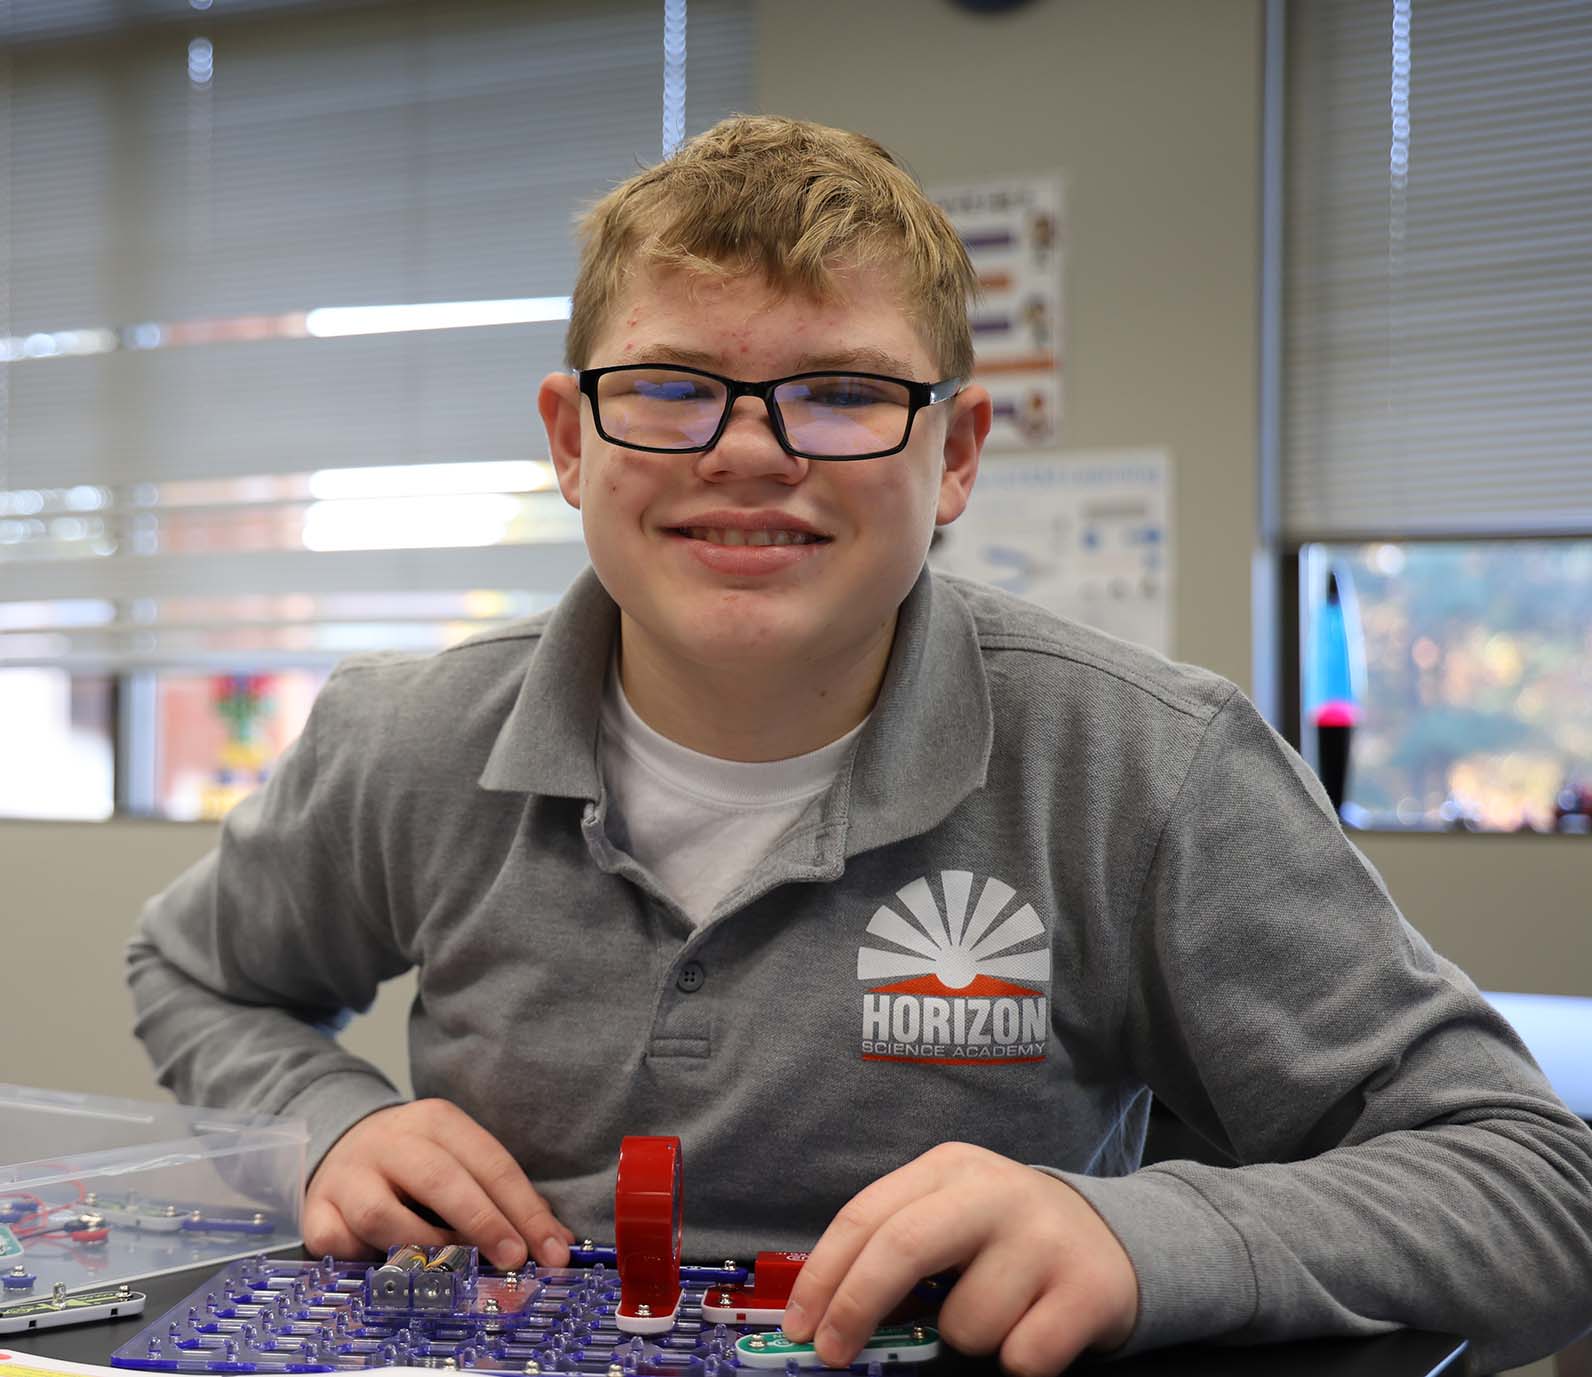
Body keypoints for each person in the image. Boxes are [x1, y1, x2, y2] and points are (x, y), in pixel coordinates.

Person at [127, 115, 1592, 1375]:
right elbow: (197, 971)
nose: (749, 450)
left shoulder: (1148, 764)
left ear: (953, 457)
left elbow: (1534, 1184)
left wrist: (1140, 1233)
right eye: (670, 386)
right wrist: (318, 1123)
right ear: (571, 442)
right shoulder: (407, 737)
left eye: (840, 392)